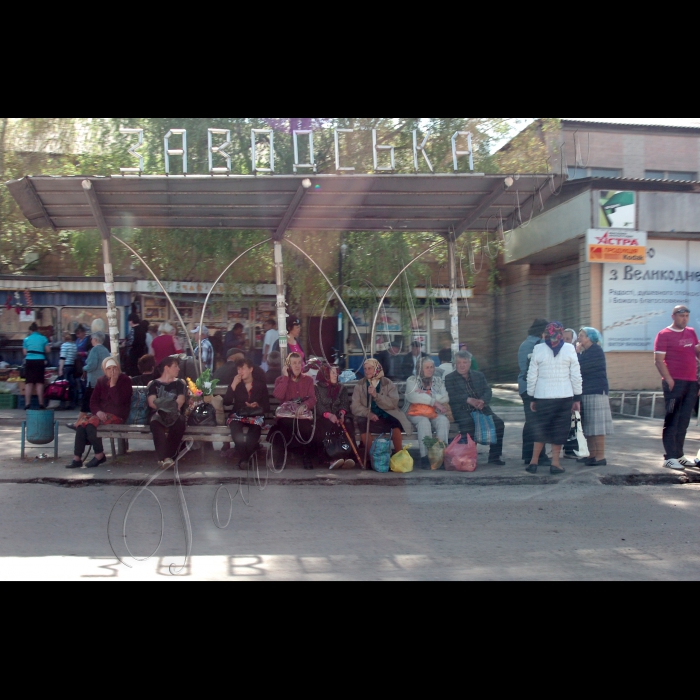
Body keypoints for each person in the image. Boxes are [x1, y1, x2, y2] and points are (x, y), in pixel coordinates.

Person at [525, 322, 583, 476]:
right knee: (559, 429)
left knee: (541, 429)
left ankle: (533, 462)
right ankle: (555, 464)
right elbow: (576, 376)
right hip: (564, 396)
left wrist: (531, 396)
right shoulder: (570, 349)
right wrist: (577, 397)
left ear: (546, 333)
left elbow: (532, 376)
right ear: (561, 333)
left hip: (543, 396)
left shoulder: (538, 349)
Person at [654, 306, 700, 471]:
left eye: (687, 316)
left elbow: (697, 352)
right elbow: (659, 360)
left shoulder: (691, 332)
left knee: (684, 420)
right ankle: (669, 457)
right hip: (674, 383)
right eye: (681, 316)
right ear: (673, 316)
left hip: (691, 382)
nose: (685, 319)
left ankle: (679, 455)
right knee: (672, 419)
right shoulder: (664, 334)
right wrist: (669, 379)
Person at [65, 357, 132, 469]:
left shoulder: (125, 380)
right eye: (109, 368)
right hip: (101, 414)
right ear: (104, 370)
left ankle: (99, 455)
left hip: (118, 414)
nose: (112, 371)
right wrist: (98, 411)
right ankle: (77, 458)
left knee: (92, 424)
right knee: (82, 424)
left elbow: (119, 402)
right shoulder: (101, 381)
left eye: (114, 368)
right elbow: (93, 401)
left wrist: (113, 384)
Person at [446, 351, 506, 467]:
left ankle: (494, 456)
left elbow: (487, 391)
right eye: (459, 363)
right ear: (455, 364)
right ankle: (469, 457)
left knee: (499, 424)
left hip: (481, 408)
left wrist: (483, 401)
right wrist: (468, 399)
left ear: (469, 363)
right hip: (462, 409)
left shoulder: (478, 375)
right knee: (469, 425)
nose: (462, 365)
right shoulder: (450, 378)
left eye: (465, 362)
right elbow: (452, 396)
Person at [352, 358, 412, 464]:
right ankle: (371, 458)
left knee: (396, 422)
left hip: (386, 416)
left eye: (370, 368)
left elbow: (393, 403)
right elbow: (355, 406)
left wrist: (376, 395)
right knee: (361, 422)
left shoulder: (387, 383)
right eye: (365, 369)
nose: (367, 371)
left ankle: (399, 456)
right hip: (370, 418)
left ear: (376, 369)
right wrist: (368, 413)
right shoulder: (360, 385)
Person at [273, 352, 317, 469]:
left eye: (299, 363)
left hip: (301, 414)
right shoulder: (280, 379)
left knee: (306, 426)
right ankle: (281, 457)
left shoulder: (308, 380)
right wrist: (286, 378)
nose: (297, 366)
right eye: (294, 363)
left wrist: (305, 405)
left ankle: (305, 456)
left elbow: (313, 399)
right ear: (288, 366)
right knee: (284, 425)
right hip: (286, 415)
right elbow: (278, 395)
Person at [405, 358, 450, 470]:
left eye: (432, 367)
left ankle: (439, 455)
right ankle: (425, 457)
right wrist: (434, 401)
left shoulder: (438, 381)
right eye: (427, 367)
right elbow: (414, 397)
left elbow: (445, 397)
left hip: (434, 412)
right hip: (415, 412)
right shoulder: (412, 380)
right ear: (420, 369)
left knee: (443, 421)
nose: (430, 370)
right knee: (424, 422)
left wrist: (426, 394)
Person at [225, 359, 270, 470]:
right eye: (238, 369)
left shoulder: (260, 384)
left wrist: (257, 404)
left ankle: (244, 459)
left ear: (250, 369)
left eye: (243, 368)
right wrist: (233, 385)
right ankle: (245, 459)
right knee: (235, 429)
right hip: (238, 414)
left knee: (255, 430)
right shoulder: (234, 381)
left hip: (255, 415)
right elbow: (226, 402)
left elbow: (267, 406)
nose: (240, 371)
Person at [578, 327, 613, 467]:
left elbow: (583, 367)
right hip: (586, 391)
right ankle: (591, 454)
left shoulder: (596, 351)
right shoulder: (586, 352)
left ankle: (600, 456)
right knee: (589, 426)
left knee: (597, 426)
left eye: (582, 335)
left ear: (589, 338)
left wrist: (576, 354)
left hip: (596, 391)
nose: (579, 338)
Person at [518, 318, 551, 467]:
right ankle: (539, 456)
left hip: (524, 387)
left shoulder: (524, 344)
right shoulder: (541, 345)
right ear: (543, 331)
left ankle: (527, 454)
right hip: (536, 388)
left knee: (530, 422)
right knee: (538, 423)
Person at [148, 357, 188, 470]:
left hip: (174, 413)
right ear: (167, 368)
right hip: (158, 414)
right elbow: (152, 402)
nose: (178, 369)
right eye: (175, 366)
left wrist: (162, 403)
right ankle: (167, 458)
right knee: (155, 423)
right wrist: (169, 404)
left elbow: (180, 401)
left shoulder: (179, 383)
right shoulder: (153, 384)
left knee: (179, 422)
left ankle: (166, 457)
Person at [315, 364, 356, 470]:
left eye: (336, 372)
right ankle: (331, 458)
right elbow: (318, 406)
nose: (335, 375)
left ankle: (347, 456)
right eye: (332, 372)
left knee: (347, 423)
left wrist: (341, 414)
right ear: (326, 374)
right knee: (328, 426)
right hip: (324, 417)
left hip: (338, 416)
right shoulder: (317, 388)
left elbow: (344, 403)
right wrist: (329, 415)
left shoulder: (341, 388)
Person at [76, 332, 112, 422]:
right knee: (96, 403)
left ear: (95, 340)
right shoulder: (106, 350)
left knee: (86, 403)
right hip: (103, 380)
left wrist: (84, 368)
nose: (91, 340)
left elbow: (92, 365)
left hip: (93, 381)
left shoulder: (94, 350)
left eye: (92, 339)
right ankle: (92, 421)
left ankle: (78, 423)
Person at [23, 322, 50, 410]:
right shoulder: (43, 338)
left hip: (29, 361)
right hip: (40, 360)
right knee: (39, 382)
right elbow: (48, 350)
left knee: (29, 383)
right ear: (38, 330)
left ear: (30, 330)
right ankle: (41, 404)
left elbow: (24, 352)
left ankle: (27, 404)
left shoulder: (26, 339)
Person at [58, 333, 78, 410]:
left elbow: (62, 358)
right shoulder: (74, 346)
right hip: (72, 367)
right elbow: (75, 357)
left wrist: (60, 369)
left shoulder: (64, 345)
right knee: (71, 386)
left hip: (65, 367)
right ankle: (72, 403)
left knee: (63, 386)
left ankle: (63, 404)